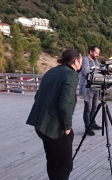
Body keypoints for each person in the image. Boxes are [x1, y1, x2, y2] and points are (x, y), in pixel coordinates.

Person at [26, 49, 82, 180]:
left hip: (41, 125)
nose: (81, 65)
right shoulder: (71, 74)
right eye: (81, 62)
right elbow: (65, 105)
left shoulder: (52, 71)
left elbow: (37, 96)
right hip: (54, 128)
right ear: (75, 62)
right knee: (64, 166)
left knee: (52, 161)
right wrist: (67, 128)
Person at [80, 46, 102, 136]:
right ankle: (87, 127)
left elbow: (98, 70)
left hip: (96, 86)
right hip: (88, 87)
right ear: (91, 52)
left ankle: (93, 123)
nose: (98, 55)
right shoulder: (85, 59)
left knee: (94, 107)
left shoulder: (95, 60)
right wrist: (96, 72)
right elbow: (85, 72)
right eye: (96, 53)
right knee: (88, 108)